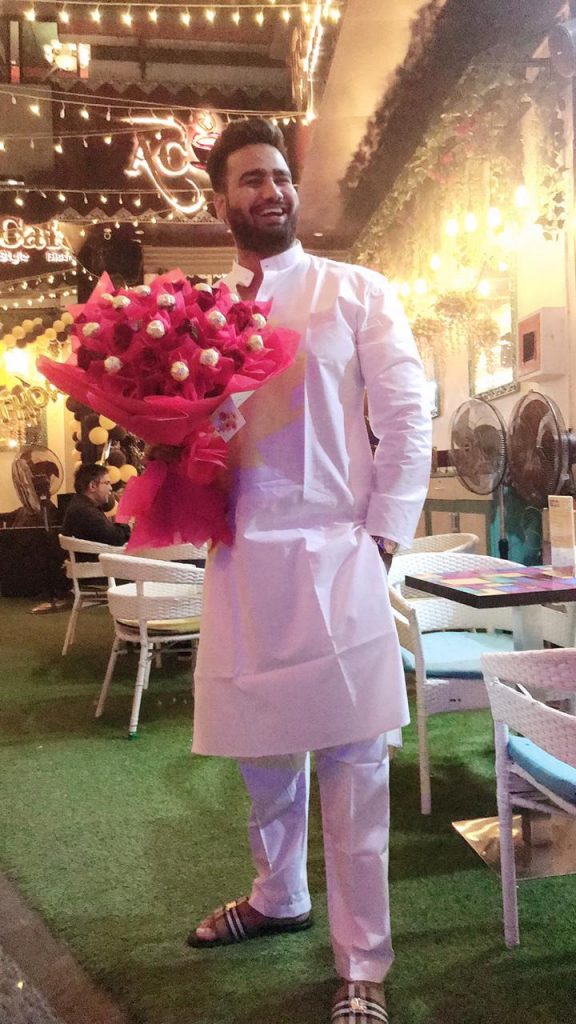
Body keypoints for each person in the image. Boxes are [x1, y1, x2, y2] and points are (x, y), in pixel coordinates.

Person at [188, 118, 432, 1024]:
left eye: (281, 176)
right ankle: (278, 896)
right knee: (262, 753)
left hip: (340, 553)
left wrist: (383, 539)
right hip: (242, 558)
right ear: (221, 202)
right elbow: (191, 434)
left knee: (355, 763)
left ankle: (363, 963)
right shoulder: (199, 312)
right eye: (251, 179)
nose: (272, 191)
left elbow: (407, 418)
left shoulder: (355, 290)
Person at [62, 463, 130, 549]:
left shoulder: (81, 504)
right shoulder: (85, 512)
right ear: (93, 486)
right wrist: (128, 524)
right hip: (97, 557)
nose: (111, 488)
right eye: (107, 483)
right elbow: (116, 538)